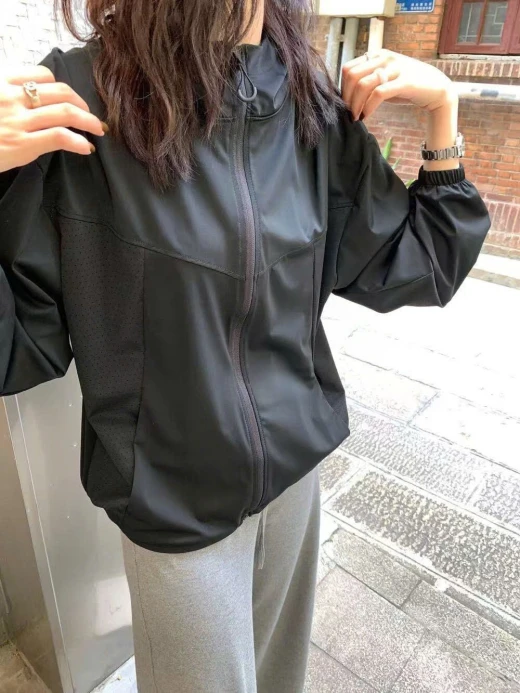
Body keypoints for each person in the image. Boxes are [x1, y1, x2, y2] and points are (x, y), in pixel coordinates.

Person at [0, 0, 490, 691]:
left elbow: (422, 262)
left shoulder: (305, 101)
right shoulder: (82, 101)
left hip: (293, 481)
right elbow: (18, 342)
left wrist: (443, 112)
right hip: (175, 510)